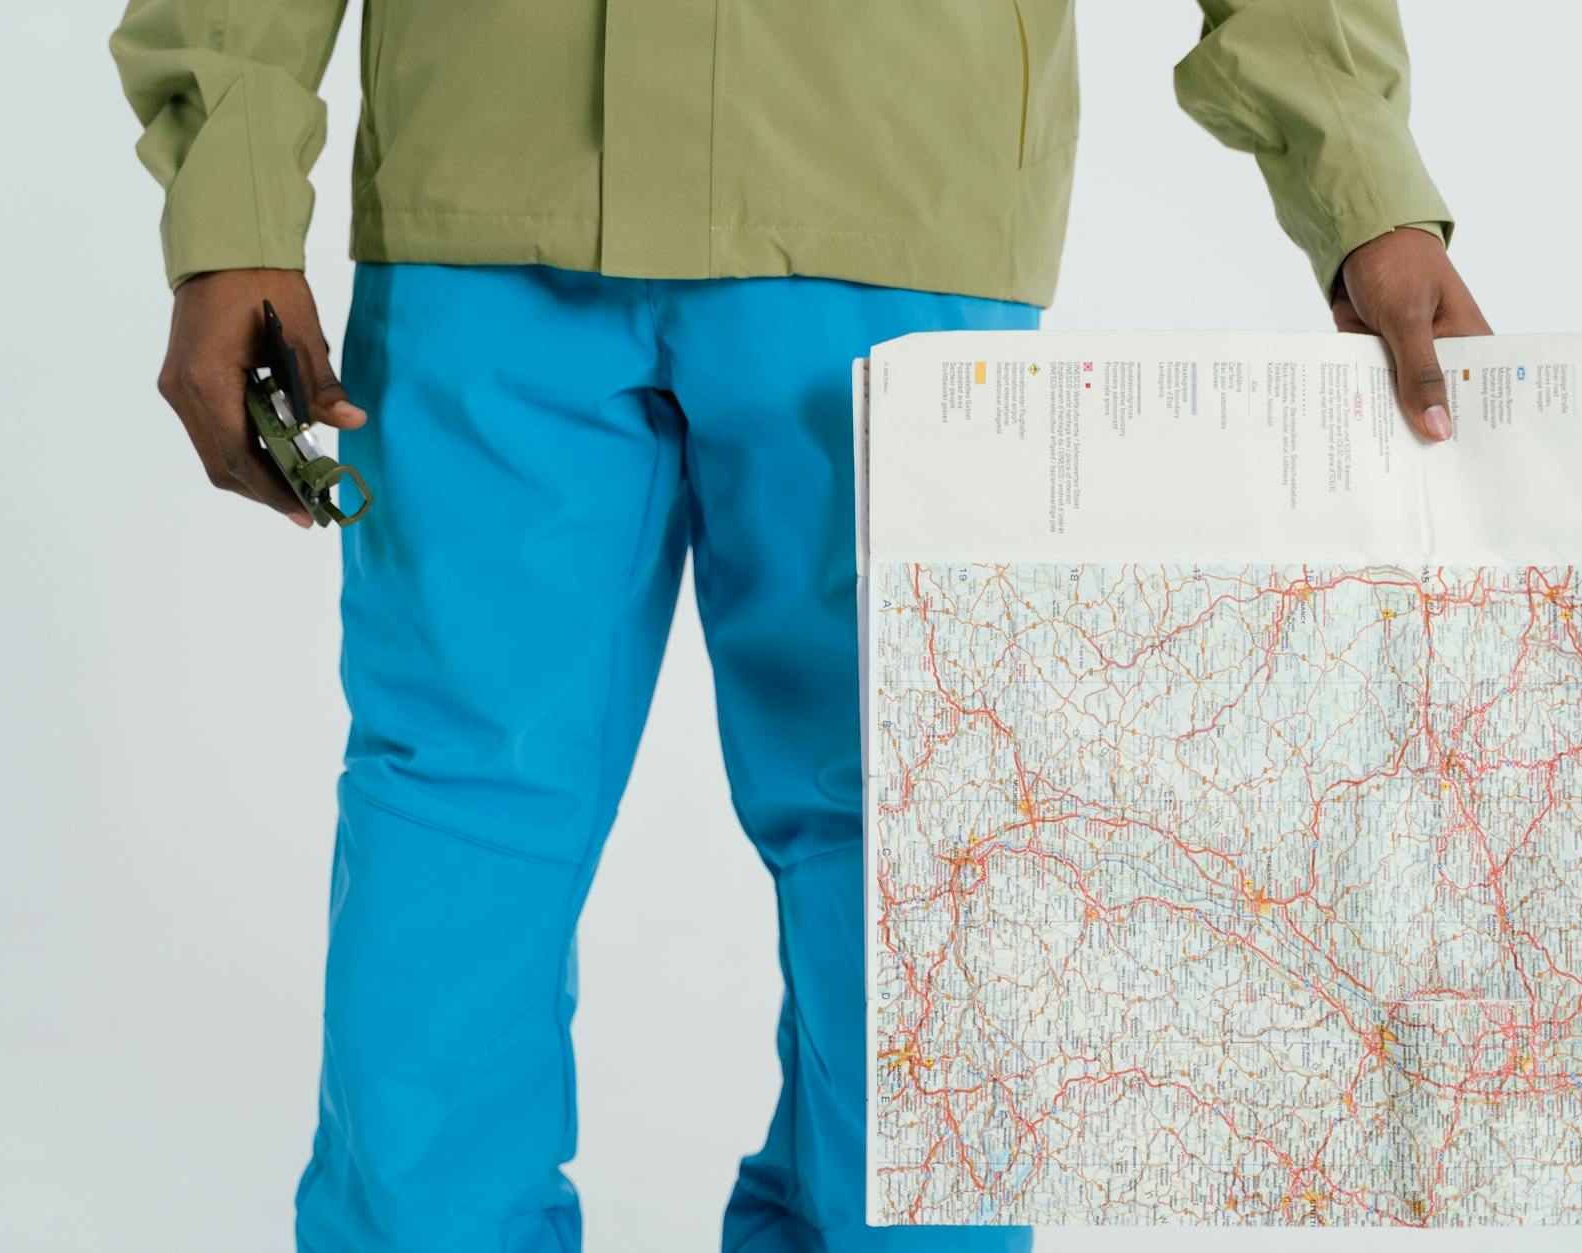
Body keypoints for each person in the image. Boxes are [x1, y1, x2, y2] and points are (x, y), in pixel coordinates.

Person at [110, 2, 1490, 1249]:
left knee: (897, 852)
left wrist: (1363, 185)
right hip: (607, 202)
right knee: (496, 822)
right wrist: (226, 200)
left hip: (843, 206)